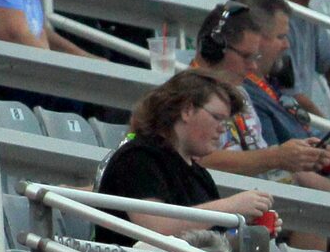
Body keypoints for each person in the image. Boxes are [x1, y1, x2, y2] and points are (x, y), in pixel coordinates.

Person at [95, 69, 275, 234]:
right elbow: (155, 228)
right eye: (217, 118)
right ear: (187, 110)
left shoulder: (200, 175)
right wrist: (229, 207)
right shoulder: (137, 158)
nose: (222, 129)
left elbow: (211, 245)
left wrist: (251, 235)